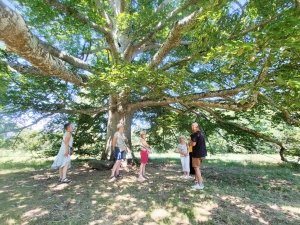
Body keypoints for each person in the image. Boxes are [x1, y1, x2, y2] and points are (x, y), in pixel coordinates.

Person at [189, 122, 207, 189]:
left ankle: (200, 184)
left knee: (196, 168)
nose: (191, 127)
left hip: (197, 154)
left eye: (192, 126)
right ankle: (197, 181)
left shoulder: (195, 134)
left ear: (194, 126)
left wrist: (189, 143)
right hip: (202, 154)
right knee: (197, 168)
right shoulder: (201, 134)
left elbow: (193, 144)